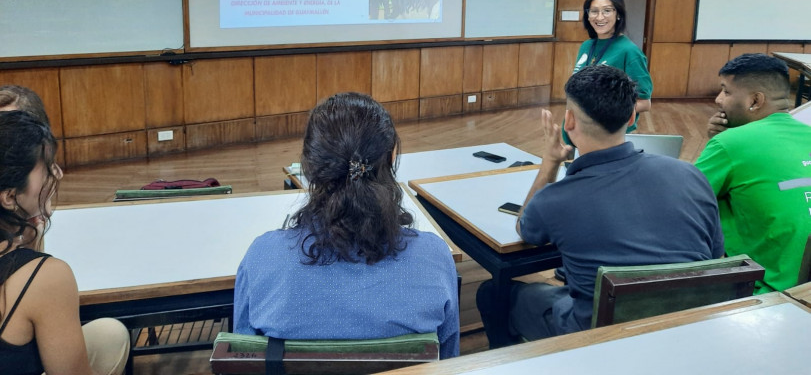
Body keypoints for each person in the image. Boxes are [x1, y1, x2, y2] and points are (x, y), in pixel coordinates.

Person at [476, 66, 723, 347]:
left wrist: (549, 162)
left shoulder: (556, 199)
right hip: (685, 329)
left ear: (569, 121)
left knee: (491, 294)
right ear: (631, 118)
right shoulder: (690, 174)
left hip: (598, 337)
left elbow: (526, 230)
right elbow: (714, 257)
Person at [234, 92, 460, 358]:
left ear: (308, 166)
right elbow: (447, 361)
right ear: (391, 158)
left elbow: (242, 354)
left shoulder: (263, 257)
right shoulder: (433, 257)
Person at [0, 110, 130, 375]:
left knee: (107, 335)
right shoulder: (46, 276)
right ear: (9, 197)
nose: (56, 175)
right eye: (47, 169)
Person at [695, 53, 811, 293]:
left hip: (767, 296)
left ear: (755, 101)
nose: (718, 99)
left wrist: (721, 142)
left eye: (726, 91)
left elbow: (683, 196)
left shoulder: (730, 143)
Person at [572, 0, 652, 132]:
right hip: (578, 129)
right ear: (588, 15)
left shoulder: (629, 51)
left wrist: (605, 112)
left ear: (618, 14)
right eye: (594, 11)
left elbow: (645, 103)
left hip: (609, 135)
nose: (600, 17)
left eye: (607, 10)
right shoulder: (586, 46)